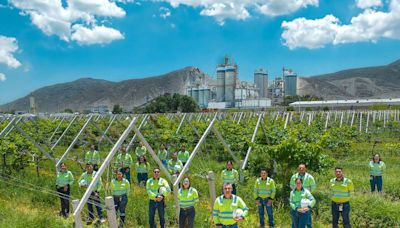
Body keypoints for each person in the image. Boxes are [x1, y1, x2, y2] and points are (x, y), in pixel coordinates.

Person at [289, 164, 316, 228]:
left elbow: (313, 187)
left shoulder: (309, 177)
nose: (301, 169)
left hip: (305, 204)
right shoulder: (294, 177)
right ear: (298, 169)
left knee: (308, 222)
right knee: (295, 224)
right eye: (300, 168)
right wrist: (296, 191)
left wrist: (306, 194)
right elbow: (291, 185)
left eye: (303, 168)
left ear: (305, 169)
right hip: (296, 206)